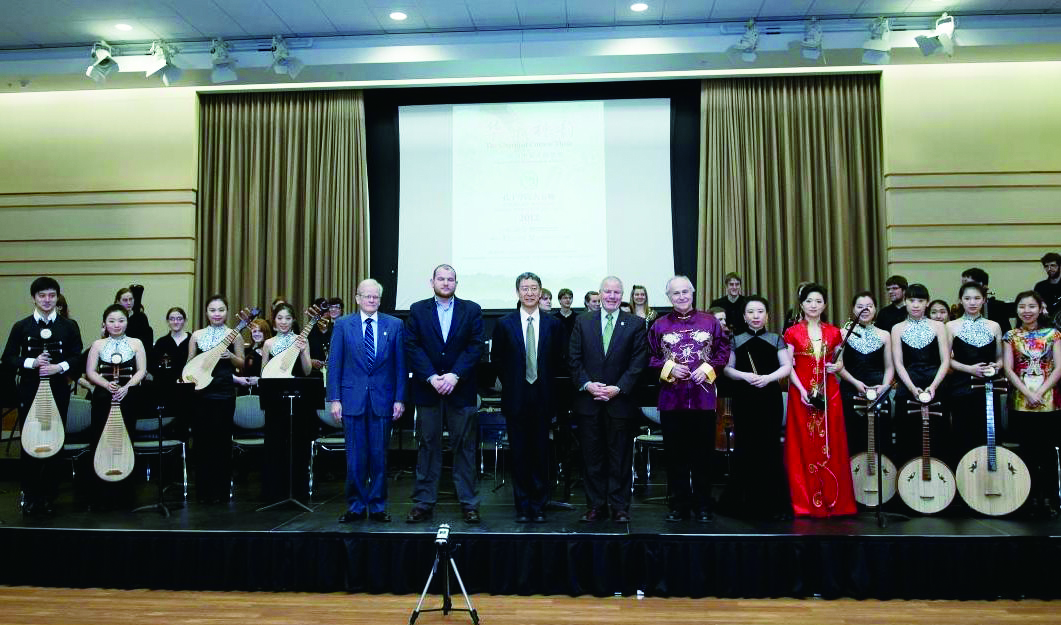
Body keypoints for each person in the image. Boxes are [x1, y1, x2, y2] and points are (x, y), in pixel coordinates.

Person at [404, 264, 484, 524]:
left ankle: (469, 503)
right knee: (428, 445)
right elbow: (412, 346)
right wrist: (431, 377)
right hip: (428, 389)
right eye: (441, 279)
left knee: (465, 447)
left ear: (456, 284)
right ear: (432, 282)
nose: (446, 283)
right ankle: (423, 502)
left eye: (451, 279)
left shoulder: (471, 309)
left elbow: (475, 346)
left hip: (461, 389)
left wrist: (454, 375)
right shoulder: (417, 310)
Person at [648, 275, 730, 523]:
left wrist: (707, 370)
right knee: (675, 457)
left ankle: (703, 505)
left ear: (692, 293)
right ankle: (678, 505)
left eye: (685, 292)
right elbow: (649, 357)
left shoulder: (710, 322)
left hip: (703, 399)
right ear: (668, 297)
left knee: (703, 456)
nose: (681, 296)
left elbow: (723, 352)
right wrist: (670, 368)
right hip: (671, 400)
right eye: (676, 293)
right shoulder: (658, 325)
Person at [569, 276, 648, 523]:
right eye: (608, 292)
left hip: (620, 403)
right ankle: (596, 506)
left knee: (620, 458)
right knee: (592, 458)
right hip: (589, 401)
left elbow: (638, 362)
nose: (612, 296)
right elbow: (573, 358)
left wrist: (619, 388)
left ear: (622, 295)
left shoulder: (635, 323)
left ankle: (619, 507)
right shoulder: (582, 321)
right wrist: (587, 385)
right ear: (600, 293)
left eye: (616, 292)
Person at [2, 277, 83, 515]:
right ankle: (29, 494)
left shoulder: (69, 326)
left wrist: (59, 367)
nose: (47, 300)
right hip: (30, 388)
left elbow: (78, 356)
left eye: (51, 295)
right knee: (29, 441)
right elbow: (8, 358)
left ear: (57, 297)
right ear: (34, 298)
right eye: (42, 296)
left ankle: (49, 495)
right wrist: (32, 362)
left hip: (58, 388)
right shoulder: (22, 326)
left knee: (55, 439)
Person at [328, 280, 405, 523]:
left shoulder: (395, 325)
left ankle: (378, 506)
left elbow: (400, 366)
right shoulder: (342, 325)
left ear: (380, 300)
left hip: (383, 401)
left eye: (376, 297)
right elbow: (335, 364)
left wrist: (400, 399)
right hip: (351, 401)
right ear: (357, 298)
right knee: (355, 459)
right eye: (367, 296)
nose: (372, 300)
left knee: (379, 457)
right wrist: (334, 399)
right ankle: (356, 506)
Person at [491, 272, 563, 523]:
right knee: (519, 454)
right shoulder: (504, 323)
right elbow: (497, 360)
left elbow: (559, 360)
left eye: (534, 288)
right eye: (525, 288)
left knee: (541, 453)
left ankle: (539, 505)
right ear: (517, 292)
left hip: (544, 398)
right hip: (516, 398)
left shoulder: (554, 324)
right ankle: (522, 506)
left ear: (540, 292)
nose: (530, 293)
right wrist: (513, 383)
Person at [782, 283, 857, 517]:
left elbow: (840, 363)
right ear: (801, 304)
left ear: (824, 305)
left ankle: (834, 500)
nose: (813, 305)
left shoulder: (835, 333)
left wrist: (837, 366)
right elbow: (788, 366)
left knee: (832, 443)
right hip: (801, 393)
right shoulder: (791, 332)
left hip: (829, 393)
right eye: (809, 301)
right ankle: (805, 502)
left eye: (818, 301)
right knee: (802, 443)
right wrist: (801, 391)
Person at [722, 296, 792, 519]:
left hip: (769, 398)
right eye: (751, 312)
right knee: (745, 445)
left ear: (767, 316)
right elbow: (727, 369)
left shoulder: (776, 339)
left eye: (760, 311)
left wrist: (768, 378)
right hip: (744, 398)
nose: (755, 316)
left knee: (770, 447)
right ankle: (744, 503)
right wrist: (745, 376)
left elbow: (787, 367)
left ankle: (772, 503)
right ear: (744, 316)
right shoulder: (735, 340)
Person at [1003, 291, 1061, 517]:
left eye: (1031, 306)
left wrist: (1040, 393)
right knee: (1025, 452)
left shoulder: (1054, 334)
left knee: (1047, 451)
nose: (1026, 311)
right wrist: (1027, 393)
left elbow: (1059, 368)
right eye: (1022, 307)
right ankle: (1026, 498)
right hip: (1020, 400)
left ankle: (1049, 499)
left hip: (1048, 401)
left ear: (1040, 308)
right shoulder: (1010, 335)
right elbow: (1008, 369)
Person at [83, 304, 147, 507]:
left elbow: (142, 370)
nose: (116, 325)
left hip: (128, 396)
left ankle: (125, 494)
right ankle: (100, 495)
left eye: (121, 320)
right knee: (100, 440)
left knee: (125, 441)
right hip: (103, 397)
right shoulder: (97, 344)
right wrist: (105, 384)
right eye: (111, 321)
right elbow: (90, 372)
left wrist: (127, 387)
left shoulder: (136, 343)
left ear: (127, 322)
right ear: (104, 324)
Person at [187, 294, 245, 503]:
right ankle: (203, 492)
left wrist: (231, 357)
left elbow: (241, 364)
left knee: (222, 441)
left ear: (227, 312)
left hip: (224, 393)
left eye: (221, 310)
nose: (217, 314)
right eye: (212, 310)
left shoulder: (234, 335)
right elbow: (189, 364)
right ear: (206, 313)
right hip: (201, 394)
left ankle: (221, 491)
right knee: (202, 442)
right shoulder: (197, 335)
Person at [890, 283, 952, 466]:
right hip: (908, 386)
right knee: (908, 437)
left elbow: (945, 361)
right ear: (905, 302)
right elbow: (898, 363)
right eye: (911, 300)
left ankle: (941, 478)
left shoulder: (939, 326)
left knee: (939, 436)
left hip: (937, 385)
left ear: (927, 302)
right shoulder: (897, 328)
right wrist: (912, 388)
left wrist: (933, 386)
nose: (916, 305)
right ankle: (907, 479)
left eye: (920, 300)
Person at [260, 303, 314, 501]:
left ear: (293, 321)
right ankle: (275, 492)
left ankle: (297, 491)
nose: (283, 322)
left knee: (297, 444)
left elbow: (307, 371)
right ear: (274, 321)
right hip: (275, 401)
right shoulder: (268, 344)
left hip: (297, 400)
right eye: (280, 318)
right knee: (275, 444)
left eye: (288, 318)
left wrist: (302, 351)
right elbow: (264, 374)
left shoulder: (302, 340)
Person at [946, 282, 1003, 464]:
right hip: (961, 387)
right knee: (963, 435)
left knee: (989, 434)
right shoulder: (950, 326)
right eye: (967, 298)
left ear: (984, 300)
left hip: (989, 387)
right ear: (960, 300)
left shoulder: (994, 326)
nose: (972, 302)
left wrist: (996, 366)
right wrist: (969, 369)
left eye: (977, 298)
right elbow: (946, 360)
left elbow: (1000, 358)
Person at [837, 292, 895, 457]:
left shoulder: (885, 334)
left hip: (879, 392)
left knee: (881, 438)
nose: (865, 310)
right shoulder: (843, 333)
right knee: (854, 438)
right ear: (853, 309)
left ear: (875, 309)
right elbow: (839, 366)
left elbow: (889, 367)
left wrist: (884, 387)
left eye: (869, 306)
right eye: (860, 306)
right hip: (851, 391)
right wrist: (856, 383)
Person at [961, 268, 1012, 333]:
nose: (964, 288)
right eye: (963, 284)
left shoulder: (998, 307)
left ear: (983, 286)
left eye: (968, 284)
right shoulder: (962, 306)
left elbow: (1006, 332)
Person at [235, 319, 270, 392]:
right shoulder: (247, 351)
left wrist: (259, 380)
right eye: (254, 331)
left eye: (260, 331)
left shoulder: (270, 351)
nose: (257, 334)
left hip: (262, 391)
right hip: (245, 391)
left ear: (265, 333)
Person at [710, 272, 749, 336]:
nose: (734, 287)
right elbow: (711, 324)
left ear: (740, 286)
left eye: (737, 284)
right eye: (731, 284)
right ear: (726, 286)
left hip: (744, 339)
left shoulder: (748, 303)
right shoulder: (716, 304)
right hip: (722, 339)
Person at [1033, 252, 1061, 322]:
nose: (1049, 269)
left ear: (1059, 266)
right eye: (1046, 266)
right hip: (1045, 323)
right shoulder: (1039, 286)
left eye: (1053, 265)